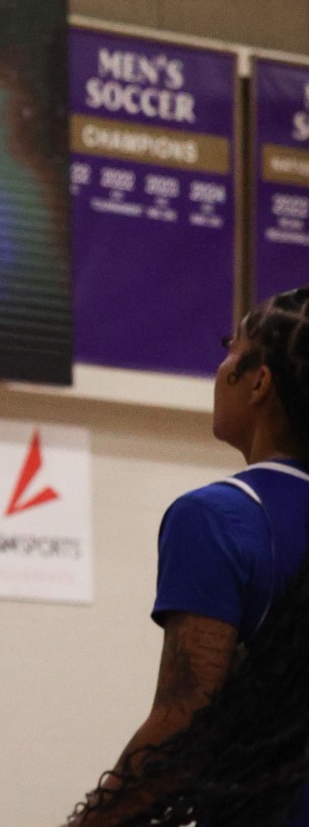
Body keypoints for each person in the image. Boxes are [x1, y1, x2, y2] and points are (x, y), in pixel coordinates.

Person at [75, 289, 309, 827]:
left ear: (259, 382)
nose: (219, 364)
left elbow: (184, 721)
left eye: (232, 348)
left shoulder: (218, 515)